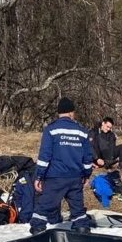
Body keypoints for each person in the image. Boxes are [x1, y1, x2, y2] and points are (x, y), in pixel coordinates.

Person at [29, 97, 94, 234]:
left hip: (55, 177)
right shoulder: (82, 131)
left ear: (59, 113)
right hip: (75, 178)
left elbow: (44, 156)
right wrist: (86, 175)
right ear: (71, 113)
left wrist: (39, 176)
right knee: (78, 209)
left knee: (44, 207)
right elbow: (88, 157)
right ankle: (82, 231)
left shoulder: (51, 129)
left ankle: (37, 232)